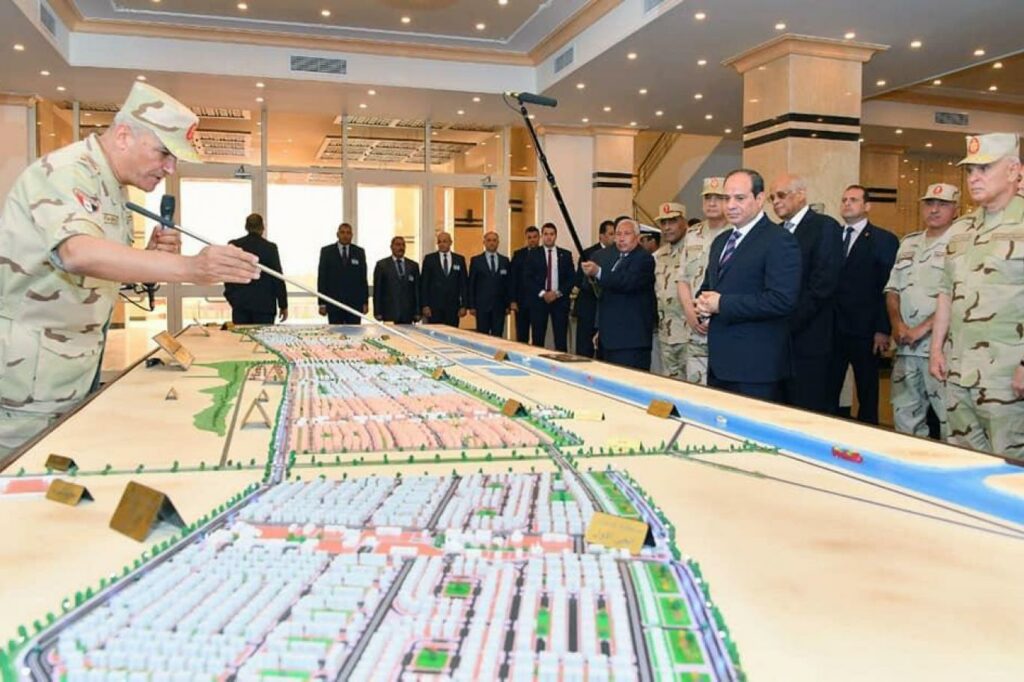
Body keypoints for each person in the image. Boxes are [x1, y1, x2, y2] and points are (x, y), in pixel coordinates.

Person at [0, 82, 260, 457]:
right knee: (19, 483)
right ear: (123, 136)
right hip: (26, 386)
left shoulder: (111, 187)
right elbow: (76, 253)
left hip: (69, 373)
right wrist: (189, 267)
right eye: (163, 153)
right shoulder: (69, 171)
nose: (170, 168)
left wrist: (148, 259)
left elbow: (93, 272)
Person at [930, 133, 1024, 460]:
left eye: (985, 168)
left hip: (1008, 377)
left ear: (1013, 170)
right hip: (958, 371)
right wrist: (936, 348)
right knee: (962, 462)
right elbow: (946, 293)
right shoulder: (962, 229)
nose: (974, 178)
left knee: (1011, 469)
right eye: (970, 170)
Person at [696, 169, 801, 400]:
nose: (730, 205)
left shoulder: (779, 240)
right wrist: (702, 305)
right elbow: (709, 286)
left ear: (760, 199)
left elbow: (781, 300)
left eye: (740, 198)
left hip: (756, 368)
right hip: (720, 364)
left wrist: (722, 304)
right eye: (726, 198)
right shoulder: (721, 241)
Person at [885, 183, 959, 439]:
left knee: (952, 422)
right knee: (905, 420)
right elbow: (892, 289)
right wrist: (897, 324)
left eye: (943, 204)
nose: (934, 209)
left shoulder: (961, 244)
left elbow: (957, 297)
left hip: (942, 351)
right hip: (906, 349)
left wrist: (921, 329)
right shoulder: (908, 243)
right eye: (929, 203)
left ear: (956, 209)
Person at [769, 174, 843, 412]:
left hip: (811, 335)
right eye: (772, 197)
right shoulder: (775, 232)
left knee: (810, 405)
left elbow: (823, 283)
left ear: (801, 195)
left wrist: (789, 320)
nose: (776, 201)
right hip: (779, 339)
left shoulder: (824, 227)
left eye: (781, 195)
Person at [828, 185, 899, 423]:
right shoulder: (832, 237)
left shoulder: (883, 239)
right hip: (833, 328)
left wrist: (883, 329)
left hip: (866, 331)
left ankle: (868, 431)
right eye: (844, 200)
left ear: (867, 206)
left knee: (867, 390)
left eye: (854, 200)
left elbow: (887, 286)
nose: (847, 204)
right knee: (829, 387)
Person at [676, 177, 730, 385]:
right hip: (694, 325)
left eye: (718, 197)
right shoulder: (692, 233)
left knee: (723, 386)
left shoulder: (734, 233)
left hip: (723, 322)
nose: (712, 203)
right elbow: (682, 279)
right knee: (695, 384)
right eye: (708, 198)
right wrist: (690, 312)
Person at [582, 218, 656, 370]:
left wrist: (599, 272)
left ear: (637, 237)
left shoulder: (644, 258)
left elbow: (626, 281)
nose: (621, 238)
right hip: (608, 339)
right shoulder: (612, 259)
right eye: (618, 234)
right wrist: (600, 329)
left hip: (631, 342)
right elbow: (605, 297)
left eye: (627, 234)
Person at [224, 213, 287, 325]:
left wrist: (231, 297)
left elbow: (228, 273)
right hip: (265, 306)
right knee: (263, 336)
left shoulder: (235, 245)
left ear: (246, 227)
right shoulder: (270, 248)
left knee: (241, 336)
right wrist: (283, 305)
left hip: (241, 305)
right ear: (262, 228)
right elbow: (277, 277)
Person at [652, 202, 688, 379]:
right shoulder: (658, 256)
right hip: (666, 334)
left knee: (696, 387)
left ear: (684, 222)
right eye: (663, 223)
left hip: (690, 335)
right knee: (671, 384)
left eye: (672, 221)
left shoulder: (695, 251)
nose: (667, 227)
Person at [525, 222, 574, 351]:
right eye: (546, 234)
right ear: (542, 236)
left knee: (561, 338)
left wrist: (557, 293)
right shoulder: (533, 254)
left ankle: (561, 361)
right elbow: (527, 278)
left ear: (556, 236)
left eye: (551, 234)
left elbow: (571, 278)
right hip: (539, 300)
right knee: (538, 337)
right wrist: (543, 293)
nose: (549, 237)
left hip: (559, 300)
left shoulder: (565, 255)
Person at [572, 219, 614, 358]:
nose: (615, 237)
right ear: (601, 236)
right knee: (584, 349)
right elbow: (580, 281)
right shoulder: (589, 254)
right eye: (611, 234)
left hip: (606, 310)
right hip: (589, 308)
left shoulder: (618, 255)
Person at [316, 222, 368, 324]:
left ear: (352, 235)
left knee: (355, 332)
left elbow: (363, 279)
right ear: (337, 234)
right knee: (335, 332)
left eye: (348, 233)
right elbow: (322, 278)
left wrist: (365, 302)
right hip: (334, 303)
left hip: (354, 304)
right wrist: (322, 303)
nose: (345, 235)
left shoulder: (359, 252)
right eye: (342, 232)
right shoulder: (327, 252)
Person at [467, 231, 512, 337]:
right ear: (484, 242)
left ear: (498, 242)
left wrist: (508, 304)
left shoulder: (505, 261)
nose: (492, 243)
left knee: (498, 336)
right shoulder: (476, 261)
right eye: (489, 240)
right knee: (482, 336)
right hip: (482, 306)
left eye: (494, 240)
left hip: (499, 306)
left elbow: (508, 284)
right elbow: (471, 284)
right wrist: (471, 305)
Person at [420, 231, 468, 327]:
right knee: (435, 333)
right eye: (439, 242)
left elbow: (464, 284)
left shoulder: (459, 259)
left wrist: (464, 305)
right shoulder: (429, 259)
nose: (442, 244)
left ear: (450, 242)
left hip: (453, 307)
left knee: (452, 332)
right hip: (434, 307)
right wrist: (425, 305)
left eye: (445, 241)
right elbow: (424, 284)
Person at [372, 236, 420, 324]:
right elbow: (378, 290)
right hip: (389, 312)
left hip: (408, 313)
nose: (401, 247)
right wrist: (377, 311)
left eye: (403, 245)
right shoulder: (382, 265)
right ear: (391, 247)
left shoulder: (413, 266)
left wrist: (417, 311)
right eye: (398, 245)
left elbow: (417, 290)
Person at [510, 225, 540, 344]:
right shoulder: (519, 254)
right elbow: (513, 278)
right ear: (526, 238)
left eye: (535, 237)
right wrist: (513, 300)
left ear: (539, 238)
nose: (532, 240)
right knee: (521, 335)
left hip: (539, 301)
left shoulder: (544, 253)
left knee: (538, 335)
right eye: (529, 237)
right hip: (521, 301)